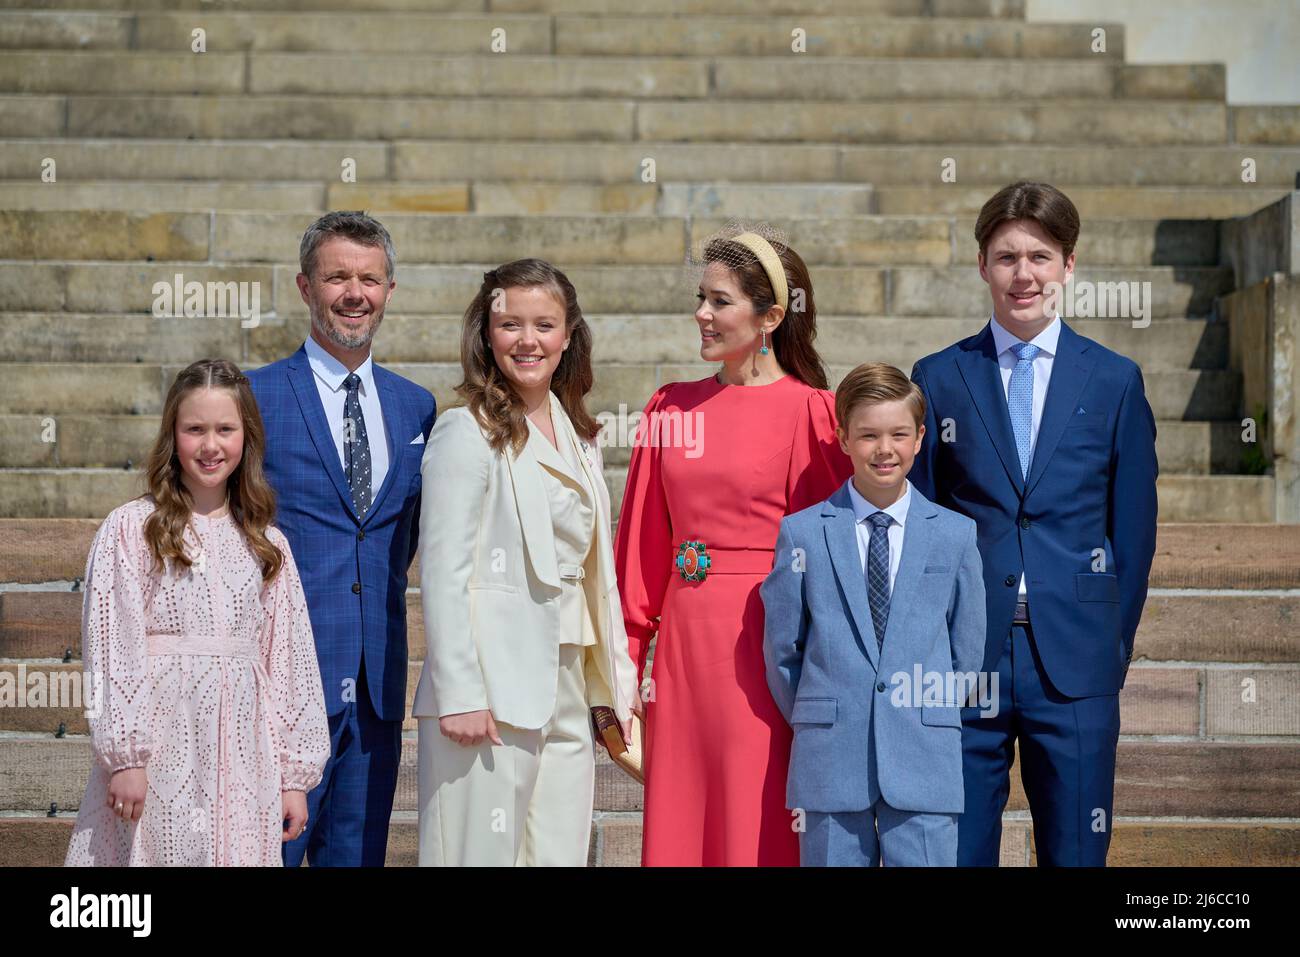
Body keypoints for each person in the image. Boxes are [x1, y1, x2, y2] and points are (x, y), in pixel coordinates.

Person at [909, 181, 1159, 866]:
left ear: (1068, 265)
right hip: (963, 661)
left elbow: (1134, 534)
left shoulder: (1114, 380)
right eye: (1007, 257)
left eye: (1041, 256)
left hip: (1075, 661)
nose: (1024, 274)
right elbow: (920, 521)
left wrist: (1109, 643)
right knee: (954, 852)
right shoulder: (939, 377)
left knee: (1076, 852)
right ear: (983, 266)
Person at [614, 225, 853, 866]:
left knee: (754, 818)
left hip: (767, 647)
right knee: (683, 820)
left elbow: (833, 561)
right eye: (701, 297)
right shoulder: (668, 409)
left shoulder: (815, 412)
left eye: (720, 301)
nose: (702, 313)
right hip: (683, 653)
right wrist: (624, 665)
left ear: (770, 317)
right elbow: (639, 553)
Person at [413, 258, 639, 867]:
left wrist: (615, 681)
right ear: (487, 334)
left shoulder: (582, 436)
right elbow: (443, 571)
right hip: (491, 688)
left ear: (568, 336)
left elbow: (598, 575)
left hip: (568, 680)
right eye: (510, 324)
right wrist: (459, 691)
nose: (528, 340)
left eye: (544, 324)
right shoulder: (463, 431)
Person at [64, 359, 329, 866]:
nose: (210, 445)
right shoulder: (133, 529)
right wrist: (126, 757)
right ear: (172, 434)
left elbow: (289, 664)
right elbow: (112, 647)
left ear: (246, 436)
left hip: (244, 754)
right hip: (161, 748)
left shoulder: (267, 544)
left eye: (225, 429)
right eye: (195, 429)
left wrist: (294, 779)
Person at [247, 211, 436, 867]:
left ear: (389, 289)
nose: (355, 293)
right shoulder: (253, 398)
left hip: (376, 689)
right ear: (305, 286)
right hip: (278, 686)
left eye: (370, 279)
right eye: (337, 278)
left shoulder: (417, 407)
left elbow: (403, 540)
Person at [761, 362, 985, 866]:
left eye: (898, 434)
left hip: (925, 756)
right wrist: (821, 713)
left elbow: (967, 654)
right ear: (842, 438)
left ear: (920, 438)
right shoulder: (803, 533)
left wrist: (931, 712)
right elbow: (782, 650)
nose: (884, 449)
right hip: (831, 757)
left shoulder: (955, 534)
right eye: (868, 435)